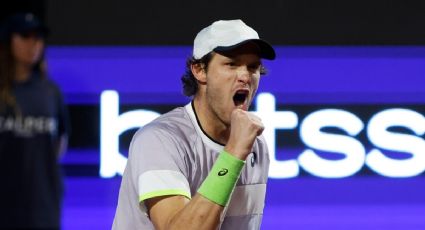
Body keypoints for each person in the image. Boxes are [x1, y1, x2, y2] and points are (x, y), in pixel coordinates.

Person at [112, 19, 276, 230]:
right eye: (231, 64)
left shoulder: (256, 145)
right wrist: (235, 152)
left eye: (253, 67)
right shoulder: (159, 140)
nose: (245, 76)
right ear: (199, 70)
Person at [0, 12, 69, 229]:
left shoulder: (50, 92)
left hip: (43, 207)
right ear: (9, 40)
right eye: (25, 36)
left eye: (38, 37)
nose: (34, 44)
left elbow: (60, 144)